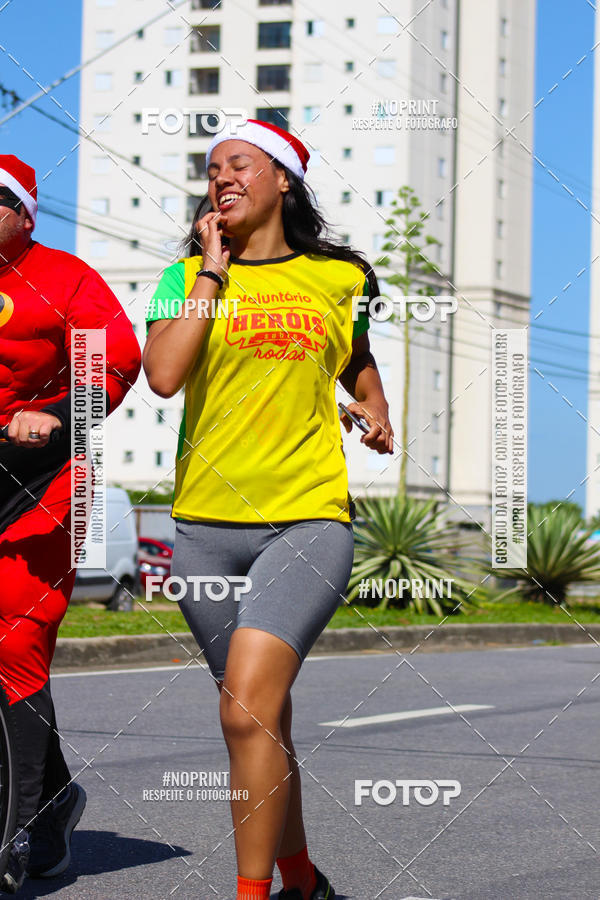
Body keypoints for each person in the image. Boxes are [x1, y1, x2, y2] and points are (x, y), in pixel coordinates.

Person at [143, 119, 393, 900]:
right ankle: (302, 884)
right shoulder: (186, 277)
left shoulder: (337, 278)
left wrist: (375, 408)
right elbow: (163, 375)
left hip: (307, 519)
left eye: (239, 164)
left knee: (247, 713)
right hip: (204, 531)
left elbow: (353, 355)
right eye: (212, 168)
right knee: (261, 722)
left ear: (281, 178)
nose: (222, 177)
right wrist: (212, 276)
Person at [0, 154, 141, 893]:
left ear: (25, 214)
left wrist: (53, 418)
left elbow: (113, 369)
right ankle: (53, 801)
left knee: (15, 635)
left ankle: (17, 831)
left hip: (48, 477)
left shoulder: (66, 278)